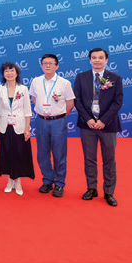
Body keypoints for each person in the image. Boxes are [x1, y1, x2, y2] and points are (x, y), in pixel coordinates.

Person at [74, 48, 123, 207]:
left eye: (100, 58)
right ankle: (91, 188)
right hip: (87, 125)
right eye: (94, 57)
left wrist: (103, 120)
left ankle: (109, 192)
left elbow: (117, 102)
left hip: (108, 125)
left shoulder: (115, 78)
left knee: (109, 159)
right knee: (89, 159)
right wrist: (88, 119)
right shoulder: (81, 77)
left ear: (106, 60)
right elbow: (77, 101)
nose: (97, 60)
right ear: (89, 60)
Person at [29, 53, 75, 198]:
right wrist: (44, 112)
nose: (47, 65)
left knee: (59, 154)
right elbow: (34, 99)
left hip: (58, 121)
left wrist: (59, 115)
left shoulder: (64, 83)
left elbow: (70, 103)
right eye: (45, 63)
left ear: (57, 66)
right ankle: (47, 181)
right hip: (41, 120)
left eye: (51, 63)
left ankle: (59, 184)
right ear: (41, 66)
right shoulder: (36, 81)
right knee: (42, 153)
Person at [0, 62, 34, 196]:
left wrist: (27, 128)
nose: (9, 73)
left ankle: (19, 182)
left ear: (17, 73)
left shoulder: (23, 89)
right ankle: (9, 181)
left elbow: (27, 110)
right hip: (5, 126)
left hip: (20, 126)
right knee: (6, 153)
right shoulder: (0, 89)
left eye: (12, 71)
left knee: (19, 154)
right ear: (3, 74)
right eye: (6, 71)